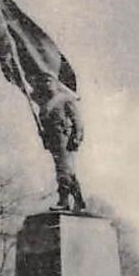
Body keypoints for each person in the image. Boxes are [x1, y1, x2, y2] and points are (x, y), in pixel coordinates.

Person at [32, 74, 86, 212]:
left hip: (64, 138)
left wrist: (77, 137)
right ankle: (79, 200)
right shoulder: (44, 105)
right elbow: (44, 126)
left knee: (63, 170)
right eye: (44, 81)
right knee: (68, 171)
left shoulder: (64, 99)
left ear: (56, 83)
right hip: (53, 140)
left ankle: (64, 201)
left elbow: (77, 120)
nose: (47, 84)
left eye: (49, 81)